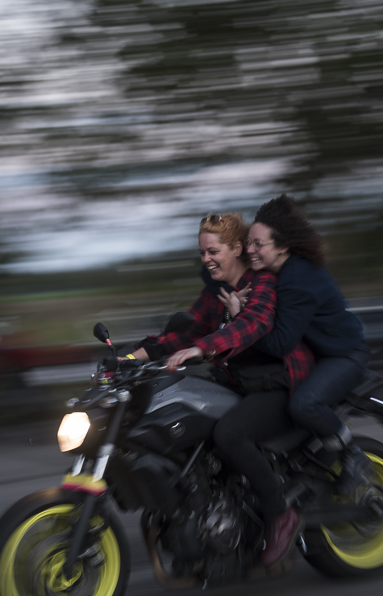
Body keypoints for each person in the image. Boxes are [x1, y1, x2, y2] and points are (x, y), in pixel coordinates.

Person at [131, 212, 314, 567]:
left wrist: (203, 348)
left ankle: (281, 514)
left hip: (278, 385)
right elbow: (180, 336)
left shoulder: (264, 283)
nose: (206, 259)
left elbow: (252, 324)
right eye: (202, 254)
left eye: (213, 251)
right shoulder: (215, 294)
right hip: (238, 385)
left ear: (236, 249)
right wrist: (126, 358)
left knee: (229, 433)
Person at [240, 194, 372, 493]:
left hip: (343, 355)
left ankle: (353, 455)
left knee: (304, 404)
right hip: (320, 353)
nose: (250, 250)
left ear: (283, 246)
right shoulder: (283, 271)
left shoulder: (297, 278)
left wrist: (241, 322)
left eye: (258, 244)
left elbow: (280, 344)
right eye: (249, 243)